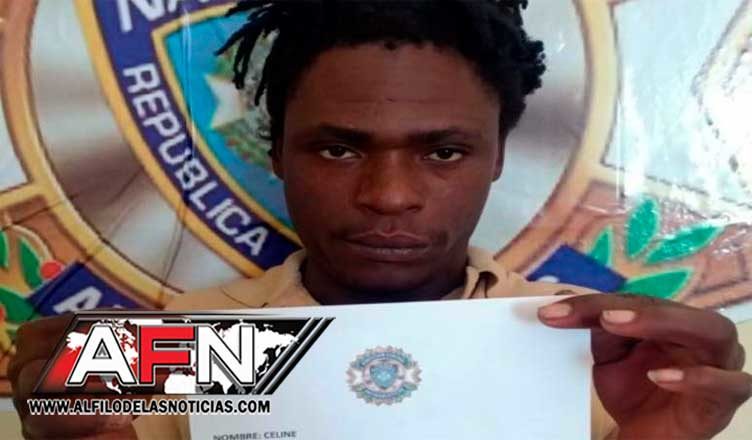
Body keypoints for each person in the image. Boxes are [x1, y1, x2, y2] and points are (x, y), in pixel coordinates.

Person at [10, 1, 751, 439]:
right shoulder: (179, 348)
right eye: (337, 149)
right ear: (277, 153)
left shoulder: (600, 358)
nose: (390, 196)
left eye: (444, 152)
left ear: (497, 156)